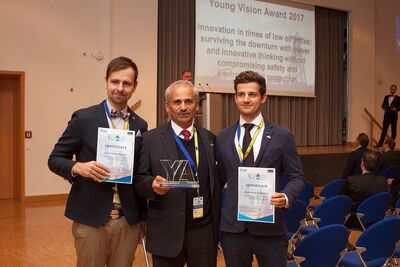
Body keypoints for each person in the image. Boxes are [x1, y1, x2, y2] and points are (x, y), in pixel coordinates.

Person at [48, 56, 148, 267]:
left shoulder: (140, 125)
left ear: (134, 86)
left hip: (127, 222)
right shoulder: (84, 119)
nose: (120, 88)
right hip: (91, 220)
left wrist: (143, 220)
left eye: (127, 83)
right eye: (115, 82)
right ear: (106, 82)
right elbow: (55, 159)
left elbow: (141, 174)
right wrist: (78, 167)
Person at [216, 71, 305, 267]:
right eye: (241, 94)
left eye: (252, 94)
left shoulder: (282, 135)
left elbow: (297, 177)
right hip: (233, 230)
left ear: (263, 97)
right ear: (235, 98)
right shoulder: (223, 137)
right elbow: (220, 178)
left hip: (270, 228)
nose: (246, 99)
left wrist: (286, 196)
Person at [134, 80, 219, 267]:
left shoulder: (209, 138)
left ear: (197, 105)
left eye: (188, 101)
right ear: (167, 106)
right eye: (177, 102)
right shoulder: (150, 139)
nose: (183, 107)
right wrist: (153, 187)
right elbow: (139, 180)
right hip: (166, 230)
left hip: (203, 232)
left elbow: (217, 180)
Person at [340, 151, 387, 226]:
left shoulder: (351, 180)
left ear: (362, 164)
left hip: (356, 220)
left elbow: (341, 200)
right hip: (377, 218)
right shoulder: (383, 181)